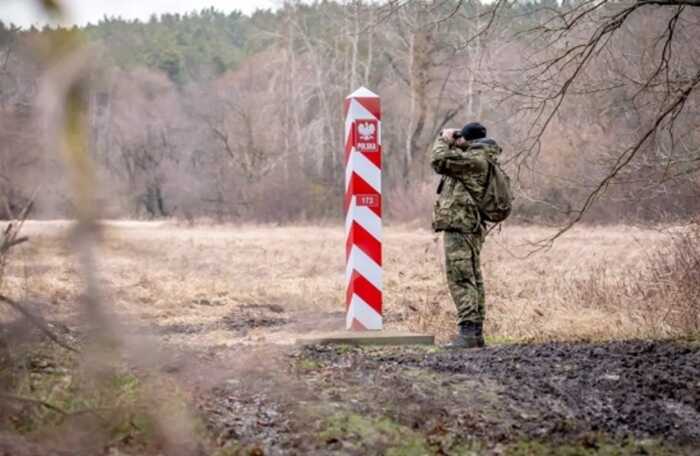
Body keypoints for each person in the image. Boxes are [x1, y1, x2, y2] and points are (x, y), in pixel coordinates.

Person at [431, 122, 502, 348]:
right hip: (468, 225)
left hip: (462, 225)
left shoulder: (474, 161)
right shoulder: (480, 158)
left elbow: (439, 161)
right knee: (472, 276)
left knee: (461, 277)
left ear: (467, 141)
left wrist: (444, 139)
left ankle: (469, 332)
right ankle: (475, 332)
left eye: (461, 137)